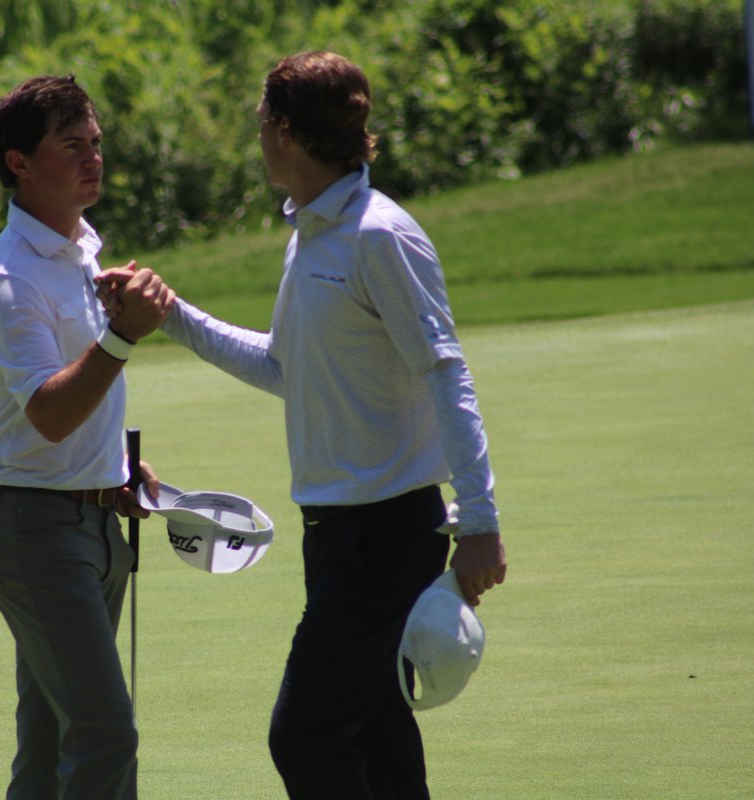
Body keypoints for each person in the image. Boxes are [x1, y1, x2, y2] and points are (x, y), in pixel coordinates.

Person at [98, 51, 507, 798]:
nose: (255, 133)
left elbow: (446, 372)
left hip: (388, 536)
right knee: (375, 733)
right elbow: (286, 370)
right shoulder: (314, 235)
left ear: (285, 131)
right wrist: (173, 317)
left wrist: (479, 521)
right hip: (339, 534)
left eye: (260, 121)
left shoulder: (380, 236)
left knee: (307, 735)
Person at [0, 74, 174, 800]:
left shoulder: (82, 252)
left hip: (93, 521)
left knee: (52, 738)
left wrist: (121, 464)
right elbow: (49, 414)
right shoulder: (8, 280)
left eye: (96, 143)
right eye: (71, 145)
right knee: (104, 732)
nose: (93, 159)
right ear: (19, 163)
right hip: (35, 532)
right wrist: (122, 336)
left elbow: (79, 405)